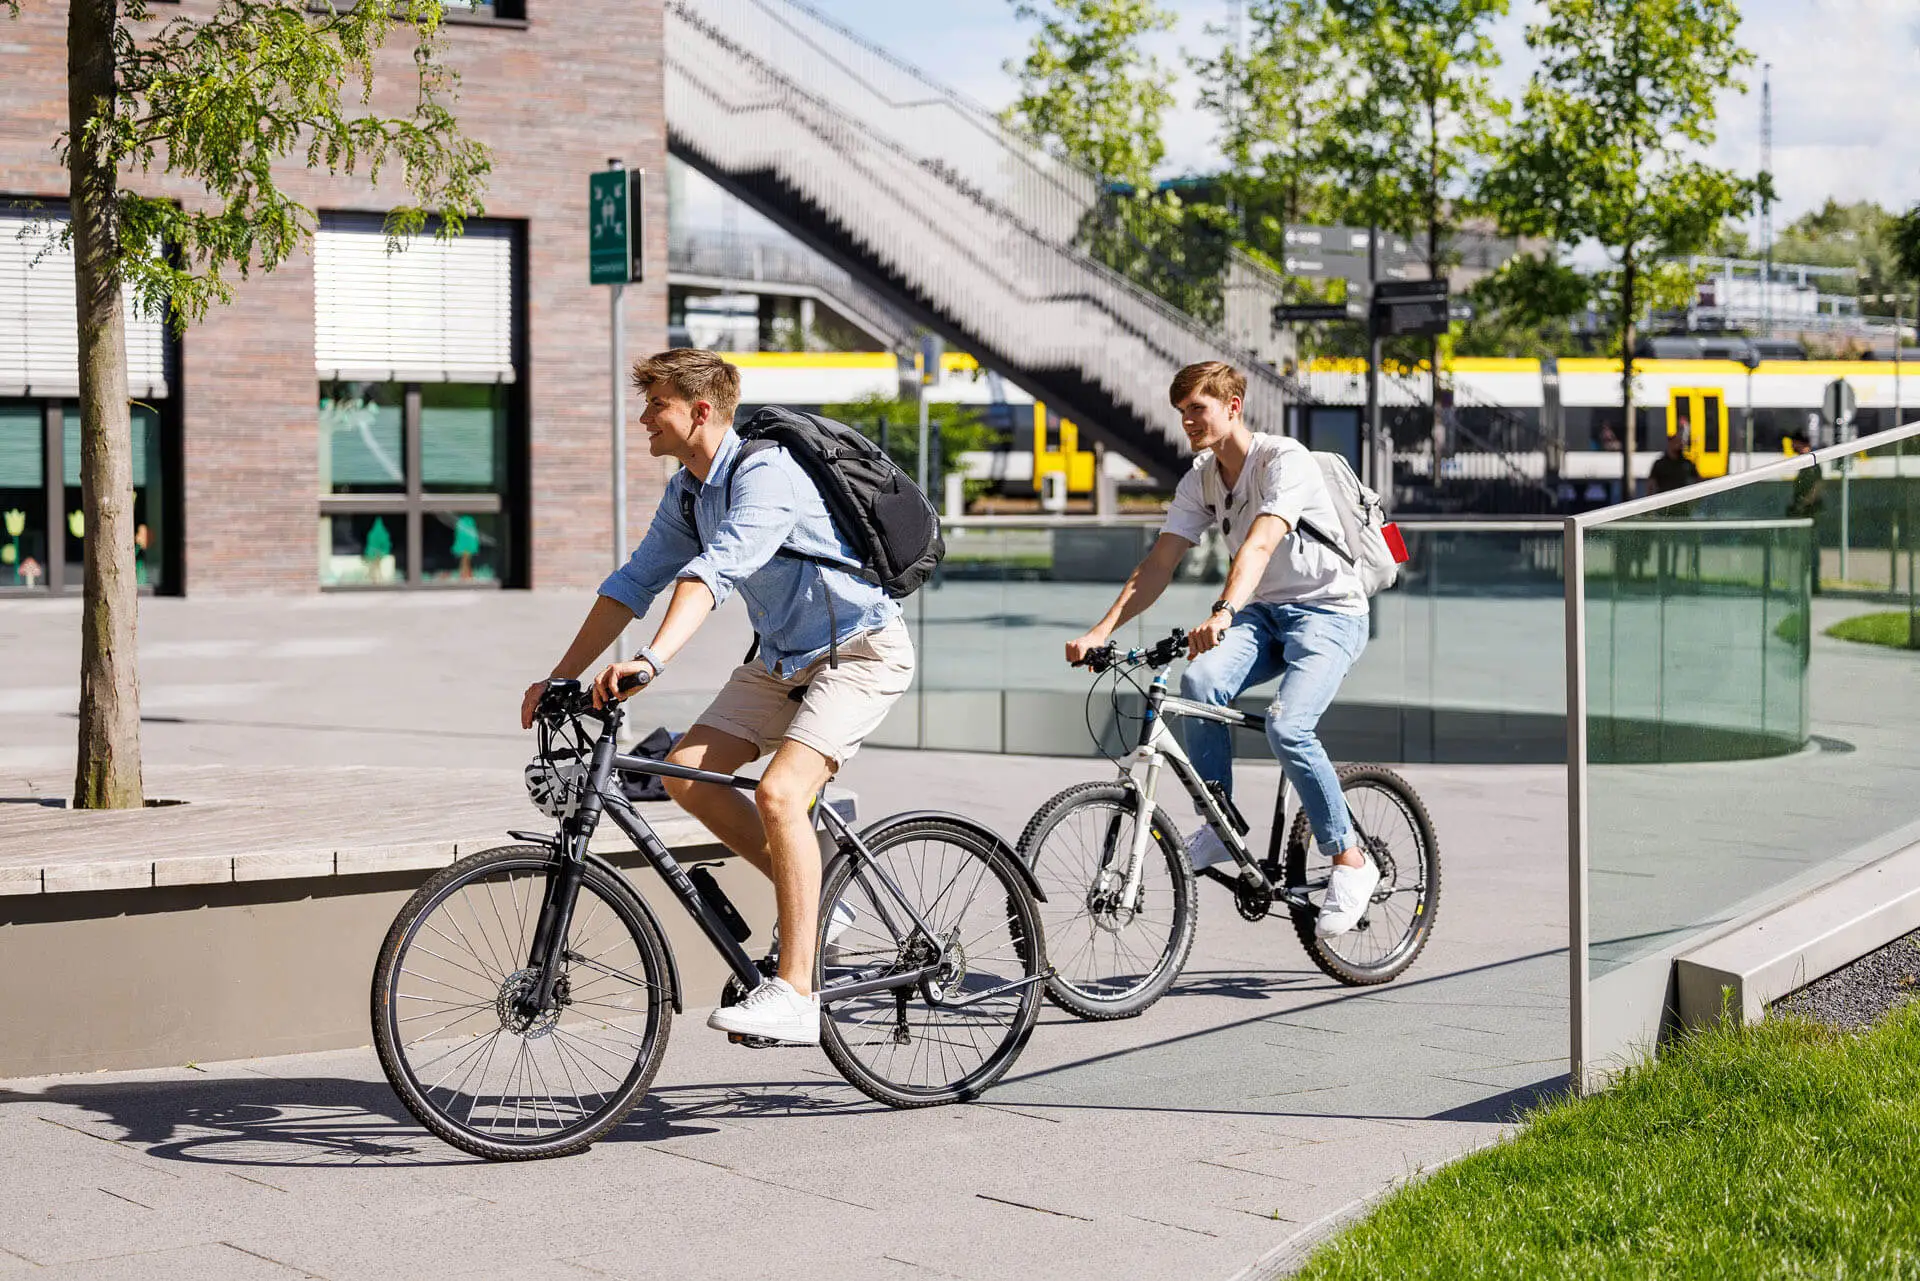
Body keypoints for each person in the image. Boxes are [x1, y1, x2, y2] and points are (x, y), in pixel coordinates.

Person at [519, 349, 915, 1046]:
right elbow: (633, 582)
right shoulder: (689, 492)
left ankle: (796, 991)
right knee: (684, 771)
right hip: (784, 660)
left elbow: (716, 570)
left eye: (657, 405)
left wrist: (650, 661)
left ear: (701, 411)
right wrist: (560, 676)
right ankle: (823, 896)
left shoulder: (766, 473)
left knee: (780, 794)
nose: (644, 418)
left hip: (859, 650)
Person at [1063, 361, 1377, 938]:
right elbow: (1159, 563)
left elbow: (1258, 544)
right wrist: (1101, 631)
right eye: (1181, 411)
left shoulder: (1285, 461)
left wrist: (1224, 611)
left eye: (1196, 409)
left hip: (1330, 611)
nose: (1186, 420)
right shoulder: (1202, 478)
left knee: (1288, 726)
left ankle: (1350, 859)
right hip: (1266, 614)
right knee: (1200, 685)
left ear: (1233, 407)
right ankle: (1218, 819)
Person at [1647, 423, 1701, 496]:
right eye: (1677, 442)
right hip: (1665, 500)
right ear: (1670, 444)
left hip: (1683, 499)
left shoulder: (1687, 463)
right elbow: (1651, 484)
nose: (1680, 445)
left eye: (1681, 443)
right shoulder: (1660, 464)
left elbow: (1698, 480)